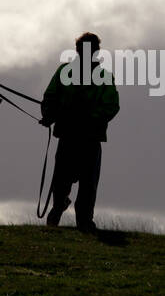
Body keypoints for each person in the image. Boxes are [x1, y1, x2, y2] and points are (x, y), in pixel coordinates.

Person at [41, 32, 120, 232]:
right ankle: (59, 207)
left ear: (95, 52)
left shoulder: (103, 77)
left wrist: (89, 118)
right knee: (61, 182)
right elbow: (50, 97)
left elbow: (111, 106)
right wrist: (49, 115)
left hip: (89, 139)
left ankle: (84, 221)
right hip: (69, 137)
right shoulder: (64, 72)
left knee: (87, 185)